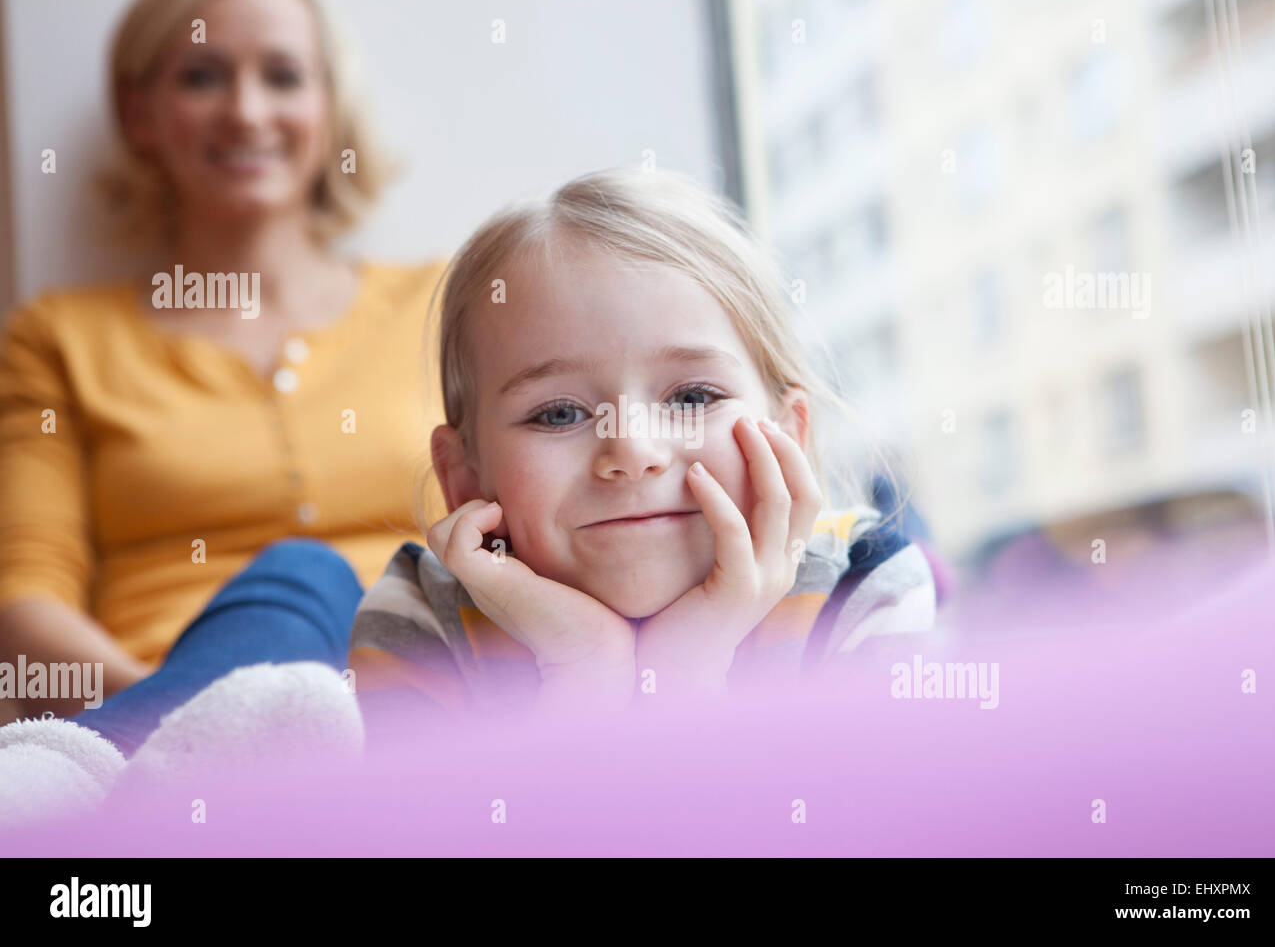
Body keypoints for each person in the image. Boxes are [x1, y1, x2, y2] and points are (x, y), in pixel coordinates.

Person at [348, 167, 938, 726]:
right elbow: (451, 836)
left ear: (788, 436)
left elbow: (862, 830)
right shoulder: (418, 617)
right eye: (559, 413)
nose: (631, 450)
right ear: (466, 479)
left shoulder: (862, 585)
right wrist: (583, 679)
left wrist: (685, 680)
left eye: (691, 398)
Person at [0, 0, 447, 727]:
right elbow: (26, 602)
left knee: (318, 581)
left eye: (282, 76)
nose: (245, 111)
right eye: (202, 76)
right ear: (141, 113)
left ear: (330, 106)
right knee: (297, 584)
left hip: (416, 715)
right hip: (159, 720)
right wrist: (188, 711)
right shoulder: (59, 338)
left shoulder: (442, 303)